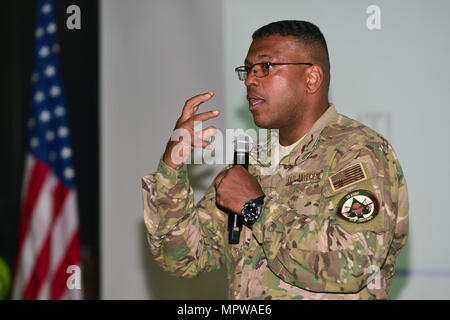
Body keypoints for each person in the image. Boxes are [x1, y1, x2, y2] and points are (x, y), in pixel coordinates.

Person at [141, 20, 408, 299]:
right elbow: (182, 258)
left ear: (311, 78)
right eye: (248, 69)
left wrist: (256, 208)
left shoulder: (358, 151)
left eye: (265, 67)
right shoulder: (251, 161)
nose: (250, 80)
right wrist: (172, 164)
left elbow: (352, 267)